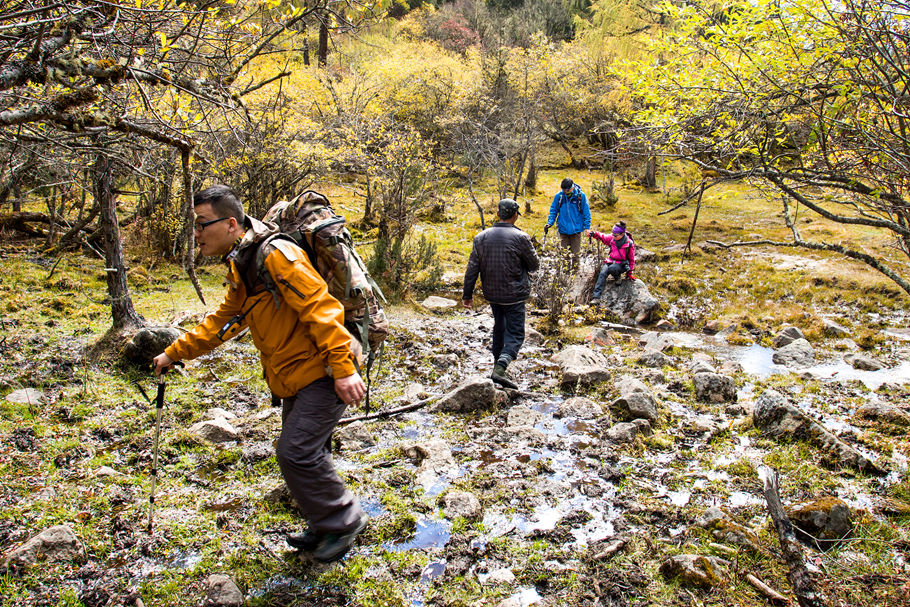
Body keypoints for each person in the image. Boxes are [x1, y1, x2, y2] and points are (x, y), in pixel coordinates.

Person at [152, 185, 367, 563]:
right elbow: (225, 320)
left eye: (202, 224)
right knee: (308, 450)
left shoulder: (275, 254)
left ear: (231, 223)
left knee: (295, 451)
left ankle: (344, 521)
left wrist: (343, 369)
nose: (196, 234)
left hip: (323, 369)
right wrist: (174, 352)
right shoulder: (244, 261)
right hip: (295, 374)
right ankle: (323, 522)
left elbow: (322, 307)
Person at [462, 199, 540, 390]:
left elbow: (472, 268)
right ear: (514, 216)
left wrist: (467, 294)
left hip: (492, 293)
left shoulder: (481, 237)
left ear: (498, 214)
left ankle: (497, 363)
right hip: (515, 294)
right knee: (515, 332)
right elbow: (534, 265)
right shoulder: (521, 237)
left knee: (499, 325)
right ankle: (501, 367)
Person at [588, 221, 636, 302]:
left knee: (612, 268)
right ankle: (596, 297)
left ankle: (617, 277)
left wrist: (629, 273)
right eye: (612, 234)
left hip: (622, 264)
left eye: (615, 235)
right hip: (611, 261)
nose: (613, 236)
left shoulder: (629, 244)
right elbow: (602, 236)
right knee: (603, 273)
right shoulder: (612, 238)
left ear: (622, 234)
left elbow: (631, 259)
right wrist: (594, 234)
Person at [545, 178, 591, 261]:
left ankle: (575, 272)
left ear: (572, 188)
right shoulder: (559, 196)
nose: (565, 192)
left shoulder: (580, 196)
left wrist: (587, 227)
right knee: (563, 256)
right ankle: (563, 273)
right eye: (563, 190)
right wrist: (550, 223)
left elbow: (586, 212)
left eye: (566, 190)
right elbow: (553, 210)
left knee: (575, 256)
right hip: (563, 230)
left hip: (576, 231)